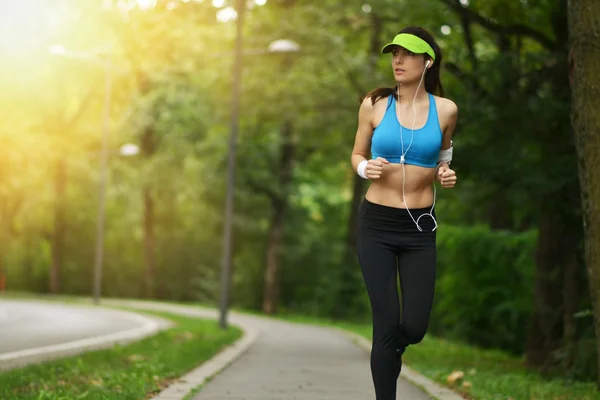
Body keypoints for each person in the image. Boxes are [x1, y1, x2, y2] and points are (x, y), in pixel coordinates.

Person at [350, 26, 458, 399]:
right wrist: (366, 169)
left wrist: (445, 171)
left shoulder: (446, 110)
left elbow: (444, 153)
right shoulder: (375, 104)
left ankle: (392, 348)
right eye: (394, 53)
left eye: (408, 54)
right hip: (376, 224)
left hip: (419, 228)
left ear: (427, 61)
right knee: (385, 321)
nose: (398, 60)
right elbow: (357, 154)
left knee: (413, 325)